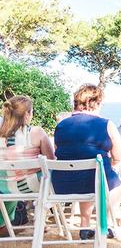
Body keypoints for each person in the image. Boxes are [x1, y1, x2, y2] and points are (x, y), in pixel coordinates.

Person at [53, 84, 121, 239]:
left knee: (88, 176)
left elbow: (57, 152)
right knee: (116, 182)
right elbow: (118, 157)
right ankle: (106, 222)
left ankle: (85, 226)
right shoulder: (107, 124)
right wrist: (109, 167)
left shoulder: (61, 125)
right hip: (96, 181)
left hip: (62, 184)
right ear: (96, 103)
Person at [0, 96, 55, 236]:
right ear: (27, 114)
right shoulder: (36, 132)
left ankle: (8, 225)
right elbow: (51, 161)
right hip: (32, 188)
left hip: (3, 187)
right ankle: (41, 219)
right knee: (49, 174)